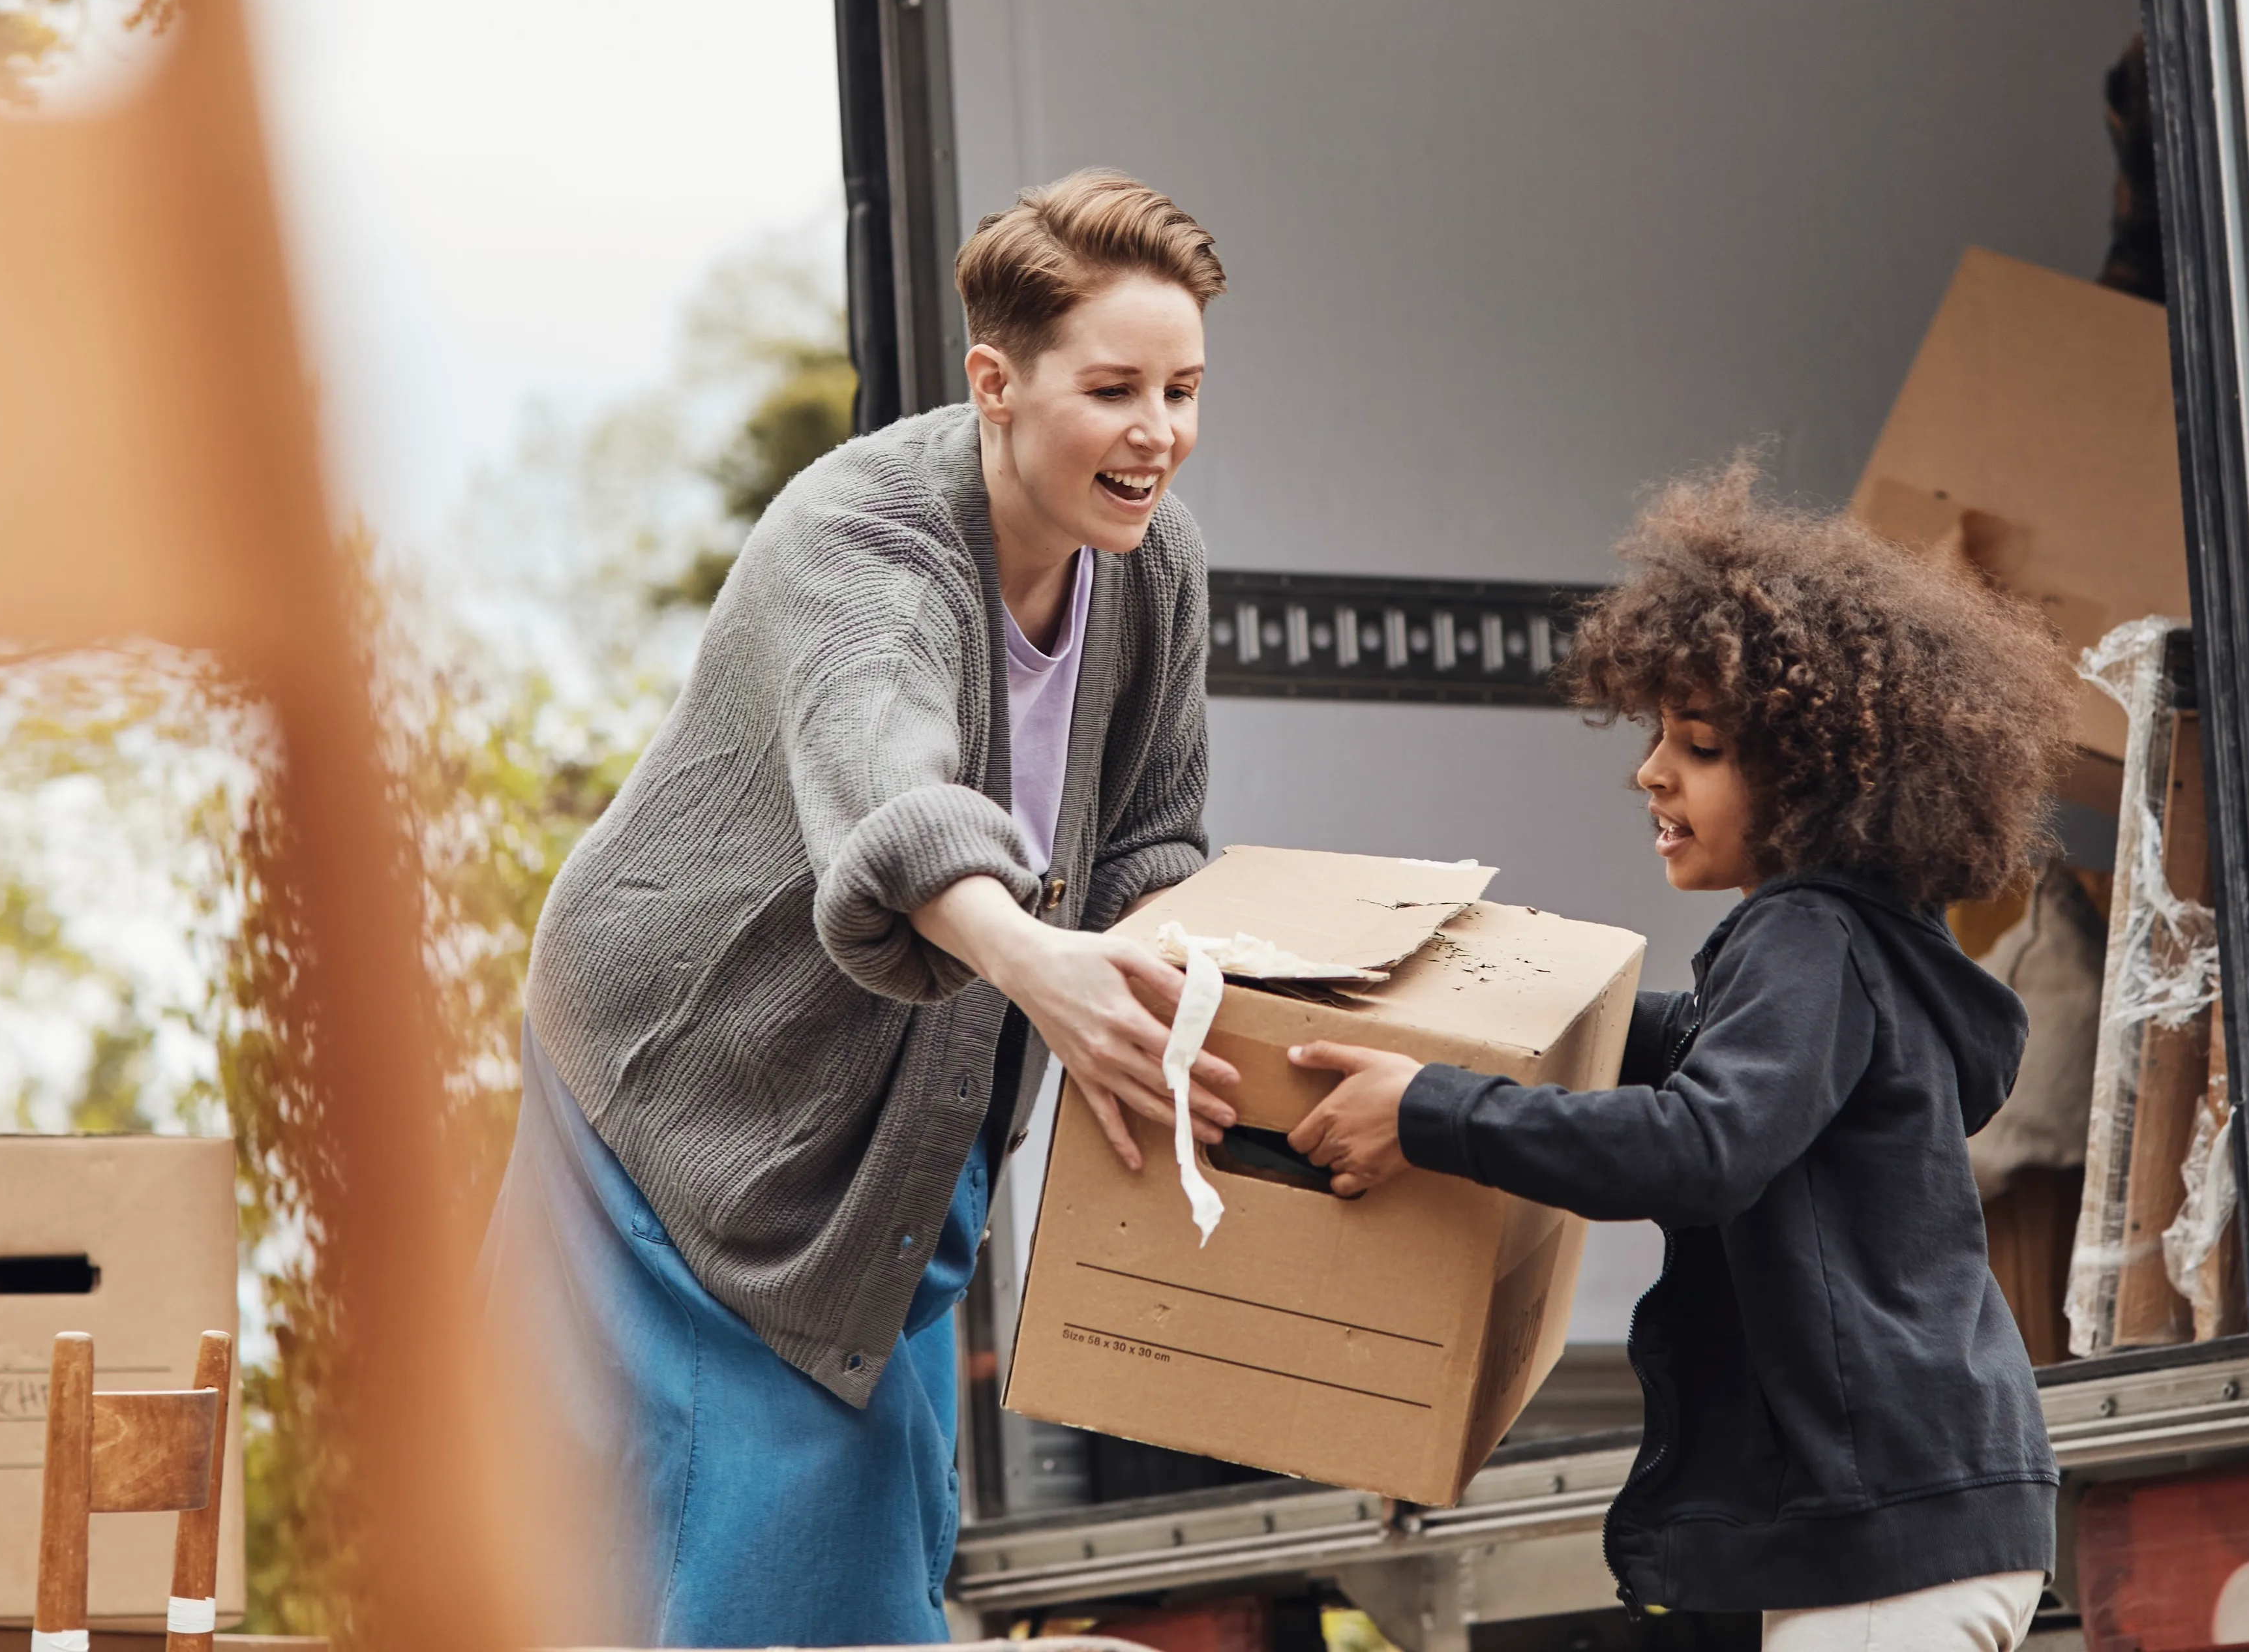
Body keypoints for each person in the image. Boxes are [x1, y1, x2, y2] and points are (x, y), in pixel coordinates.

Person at [482, 170, 1237, 1647]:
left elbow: (1155, 833)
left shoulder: (1155, 571)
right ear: (997, 383)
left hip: (911, 1087)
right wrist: (1042, 967)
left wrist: (1214, 987)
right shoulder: (864, 541)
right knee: (767, 1527)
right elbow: (895, 803)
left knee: (867, 1503)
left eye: (1187, 389)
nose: (1159, 432)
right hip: (695, 1085)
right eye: (1117, 388)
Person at [1289, 460, 2077, 1652]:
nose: (1650, 771)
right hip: (1924, 1512)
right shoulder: (1863, 947)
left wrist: (1430, 1112)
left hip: (1886, 1533)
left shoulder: (1805, 936)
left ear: (1823, 773)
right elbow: (1682, 1051)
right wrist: (1490, 1013)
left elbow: (1701, 1146)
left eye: (1698, 746)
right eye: (1658, 736)